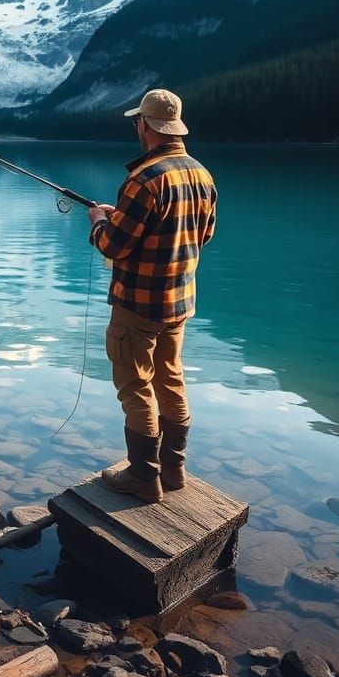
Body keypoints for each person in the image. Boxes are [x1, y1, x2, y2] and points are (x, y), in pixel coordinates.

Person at [87, 88, 217, 503]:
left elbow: (113, 246)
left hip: (138, 306)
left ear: (145, 125)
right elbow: (203, 234)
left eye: (136, 122)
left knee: (135, 386)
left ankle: (144, 476)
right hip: (179, 303)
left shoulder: (145, 178)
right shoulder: (201, 174)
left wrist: (97, 222)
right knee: (170, 378)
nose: (136, 128)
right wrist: (120, 215)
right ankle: (174, 470)